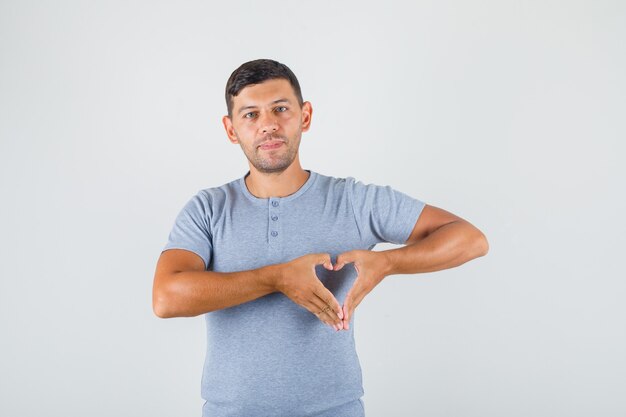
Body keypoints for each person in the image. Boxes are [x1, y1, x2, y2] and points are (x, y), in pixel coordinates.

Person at [152, 58, 489, 417]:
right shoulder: (208, 208)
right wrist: (276, 278)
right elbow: (166, 297)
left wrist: (388, 262)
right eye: (250, 114)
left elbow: (470, 239)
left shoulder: (354, 201)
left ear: (305, 115)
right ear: (231, 129)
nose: (268, 125)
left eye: (280, 109)